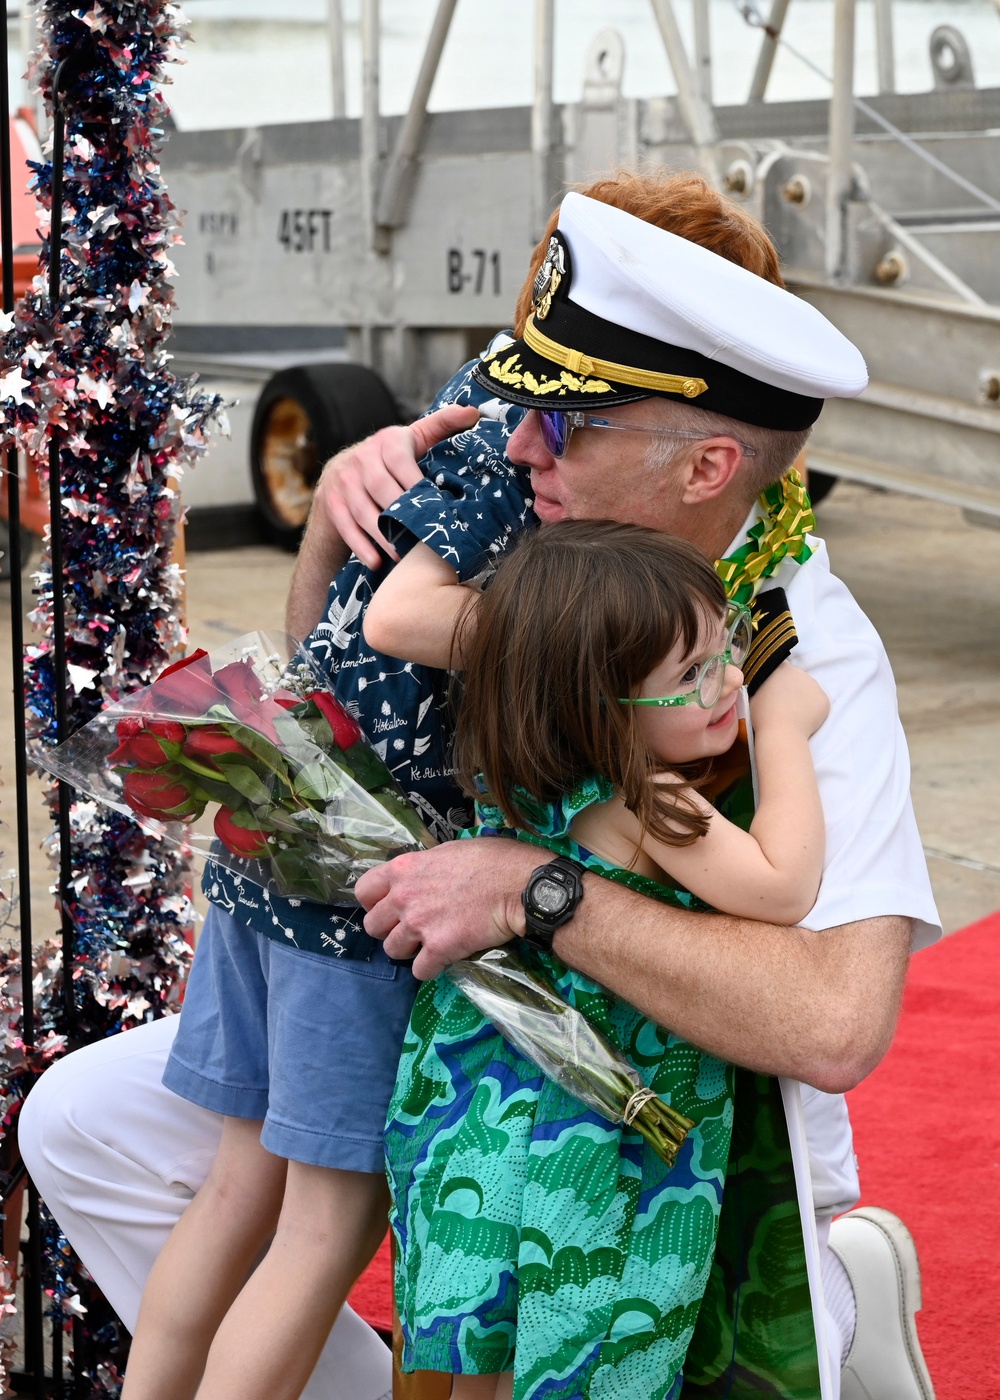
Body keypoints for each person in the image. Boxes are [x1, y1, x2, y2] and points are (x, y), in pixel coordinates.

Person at [17, 172, 937, 1400]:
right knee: (84, 1120)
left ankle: (839, 1306)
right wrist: (342, 522)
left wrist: (536, 890)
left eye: (567, 423)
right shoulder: (535, 546)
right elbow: (336, 690)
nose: (513, 442)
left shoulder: (796, 651)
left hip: (667, 1147)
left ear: (710, 462)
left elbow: (833, 1025)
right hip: (461, 1048)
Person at [367, 516, 830, 1398]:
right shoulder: (644, 796)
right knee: (583, 1344)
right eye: (690, 676)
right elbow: (782, 886)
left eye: (725, 648)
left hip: (487, 1102)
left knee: (493, 1352)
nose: (729, 679)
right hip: (596, 1128)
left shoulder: (530, 768)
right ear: (597, 703)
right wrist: (783, 728)